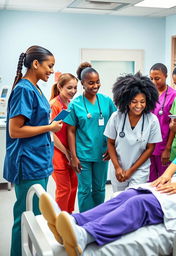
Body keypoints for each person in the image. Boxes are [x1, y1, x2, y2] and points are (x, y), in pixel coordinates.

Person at [40, 85, 176, 256]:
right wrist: (166, 176)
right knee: (128, 195)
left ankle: (85, 235)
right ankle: (72, 223)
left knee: (140, 203)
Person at [3, 45, 63, 256]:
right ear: (36, 64)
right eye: (50, 66)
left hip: (38, 161)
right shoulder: (24, 89)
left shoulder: (35, 88)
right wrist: (49, 127)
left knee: (36, 215)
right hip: (27, 163)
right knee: (26, 216)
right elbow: (15, 130)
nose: (51, 70)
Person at [64, 62, 116, 212]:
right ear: (83, 84)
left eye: (97, 81)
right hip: (83, 155)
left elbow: (115, 124)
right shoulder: (75, 104)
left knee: (100, 188)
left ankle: (98, 217)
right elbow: (71, 131)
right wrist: (73, 156)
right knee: (85, 190)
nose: (95, 85)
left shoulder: (106, 101)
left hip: (102, 153)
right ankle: (85, 220)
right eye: (91, 83)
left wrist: (111, 148)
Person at [104, 72, 162, 192]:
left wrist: (131, 170)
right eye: (134, 101)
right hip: (118, 167)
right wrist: (117, 167)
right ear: (126, 100)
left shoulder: (152, 120)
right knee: (118, 199)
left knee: (133, 198)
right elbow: (110, 143)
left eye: (142, 101)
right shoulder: (116, 117)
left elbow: (150, 148)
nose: (139, 105)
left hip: (140, 169)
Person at [49, 73, 78, 213]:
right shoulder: (54, 105)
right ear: (60, 87)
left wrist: (72, 153)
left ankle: (69, 216)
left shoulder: (70, 104)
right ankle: (60, 220)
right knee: (64, 189)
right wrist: (66, 153)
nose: (73, 91)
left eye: (75, 88)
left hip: (69, 151)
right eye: (69, 88)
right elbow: (52, 134)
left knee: (73, 186)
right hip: (58, 152)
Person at [149, 63, 176, 181]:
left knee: (163, 181)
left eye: (157, 78)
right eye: (151, 79)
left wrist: (167, 149)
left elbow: (174, 125)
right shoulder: (148, 94)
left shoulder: (175, 96)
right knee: (150, 181)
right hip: (149, 146)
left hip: (164, 146)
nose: (154, 82)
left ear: (166, 76)